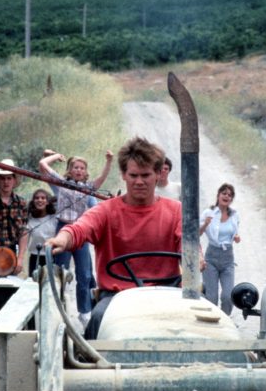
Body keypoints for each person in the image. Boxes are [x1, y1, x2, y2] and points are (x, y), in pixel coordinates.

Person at [46, 137, 182, 339]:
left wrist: (195, 258)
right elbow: (81, 227)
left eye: (145, 175)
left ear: (158, 174)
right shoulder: (106, 211)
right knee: (98, 320)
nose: (139, 181)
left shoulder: (175, 210)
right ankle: (90, 365)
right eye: (133, 175)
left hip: (167, 292)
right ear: (123, 175)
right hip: (118, 296)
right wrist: (63, 239)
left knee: (200, 318)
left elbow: (188, 244)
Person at [39, 149, 114, 327]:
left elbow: (100, 180)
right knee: (60, 272)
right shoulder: (61, 183)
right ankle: (60, 309)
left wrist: (109, 162)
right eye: (75, 167)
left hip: (80, 231)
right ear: (70, 170)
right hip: (63, 228)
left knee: (84, 274)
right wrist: (56, 156)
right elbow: (43, 166)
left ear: (85, 172)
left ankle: (84, 312)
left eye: (82, 168)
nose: (79, 170)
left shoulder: (87, 189)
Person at [199, 183, 240, 315]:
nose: (226, 196)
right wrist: (205, 224)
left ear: (231, 199)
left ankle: (225, 319)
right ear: (218, 195)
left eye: (229, 195)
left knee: (228, 296)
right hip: (211, 256)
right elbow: (196, 234)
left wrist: (236, 236)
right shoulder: (208, 213)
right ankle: (211, 322)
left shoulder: (234, 215)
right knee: (212, 297)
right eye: (224, 193)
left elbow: (234, 231)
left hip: (228, 256)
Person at [25, 188, 57, 273]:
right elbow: (25, 240)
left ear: (47, 201)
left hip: (52, 256)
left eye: (43, 198)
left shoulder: (55, 218)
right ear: (33, 201)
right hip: (35, 256)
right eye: (37, 198)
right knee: (34, 284)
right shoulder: (29, 218)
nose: (39, 200)